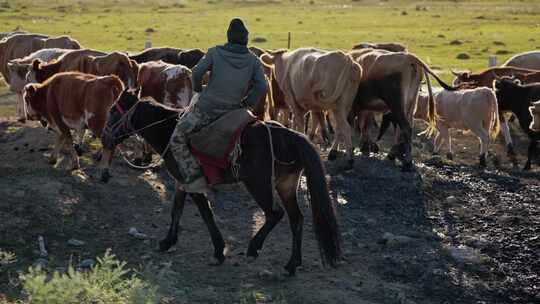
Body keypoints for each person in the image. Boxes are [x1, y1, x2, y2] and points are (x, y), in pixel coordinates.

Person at [170, 18, 267, 196]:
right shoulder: (253, 61)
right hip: (233, 112)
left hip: (206, 109)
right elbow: (262, 86)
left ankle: (195, 181)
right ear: (246, 39)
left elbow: (197, 73)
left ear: (228, 37)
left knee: (177, 139)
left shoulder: (215, 52)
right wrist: (247, 103)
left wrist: (199, 89)